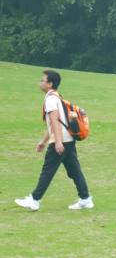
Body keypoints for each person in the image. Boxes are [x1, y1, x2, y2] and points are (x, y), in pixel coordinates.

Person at [15, 70, 94, 211]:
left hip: (61, 140)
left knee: (48, 170)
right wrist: (43, 141)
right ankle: (86, 199)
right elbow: (53, 123)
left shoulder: (50, 99)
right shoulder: (56, 97)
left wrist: (57, 142)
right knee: (74, 170)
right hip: (68, 139)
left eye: (42, 80)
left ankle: (35, 200)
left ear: (50, 84)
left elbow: (55, 122)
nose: (40, 83)